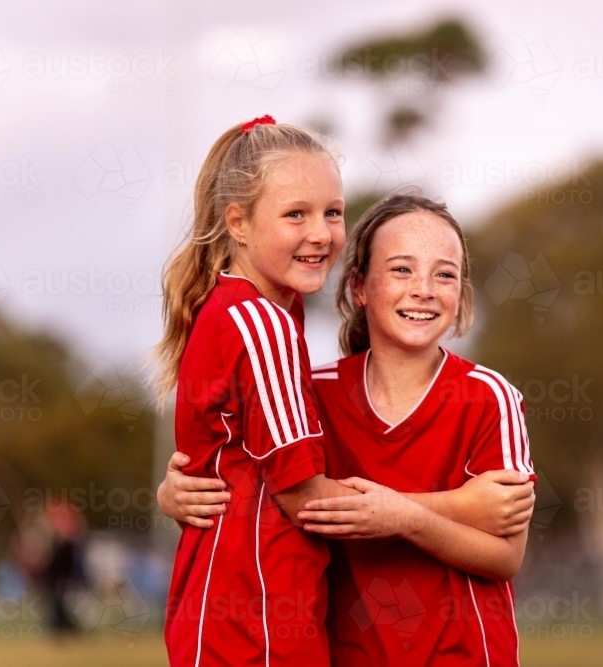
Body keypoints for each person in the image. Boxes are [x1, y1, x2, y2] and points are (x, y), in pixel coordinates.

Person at [160, 191, 536, 666]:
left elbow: (506, 557)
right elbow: (255, 495)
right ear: (359, 287)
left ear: (461, 293)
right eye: (401, 269)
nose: (424, 288)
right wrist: (172, 494)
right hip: (347, 653)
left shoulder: (489, 397)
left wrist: (404, 517)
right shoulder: (312, 395)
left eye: (445, 274)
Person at [153, 115, 357, 667]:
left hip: (247, 617)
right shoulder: (256, 322)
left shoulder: (247, 312)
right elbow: (304, 498)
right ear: (238, 223)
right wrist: (454, 514)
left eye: (332, 213)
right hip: (253, 623)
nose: (321, 233)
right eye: (296, 214)